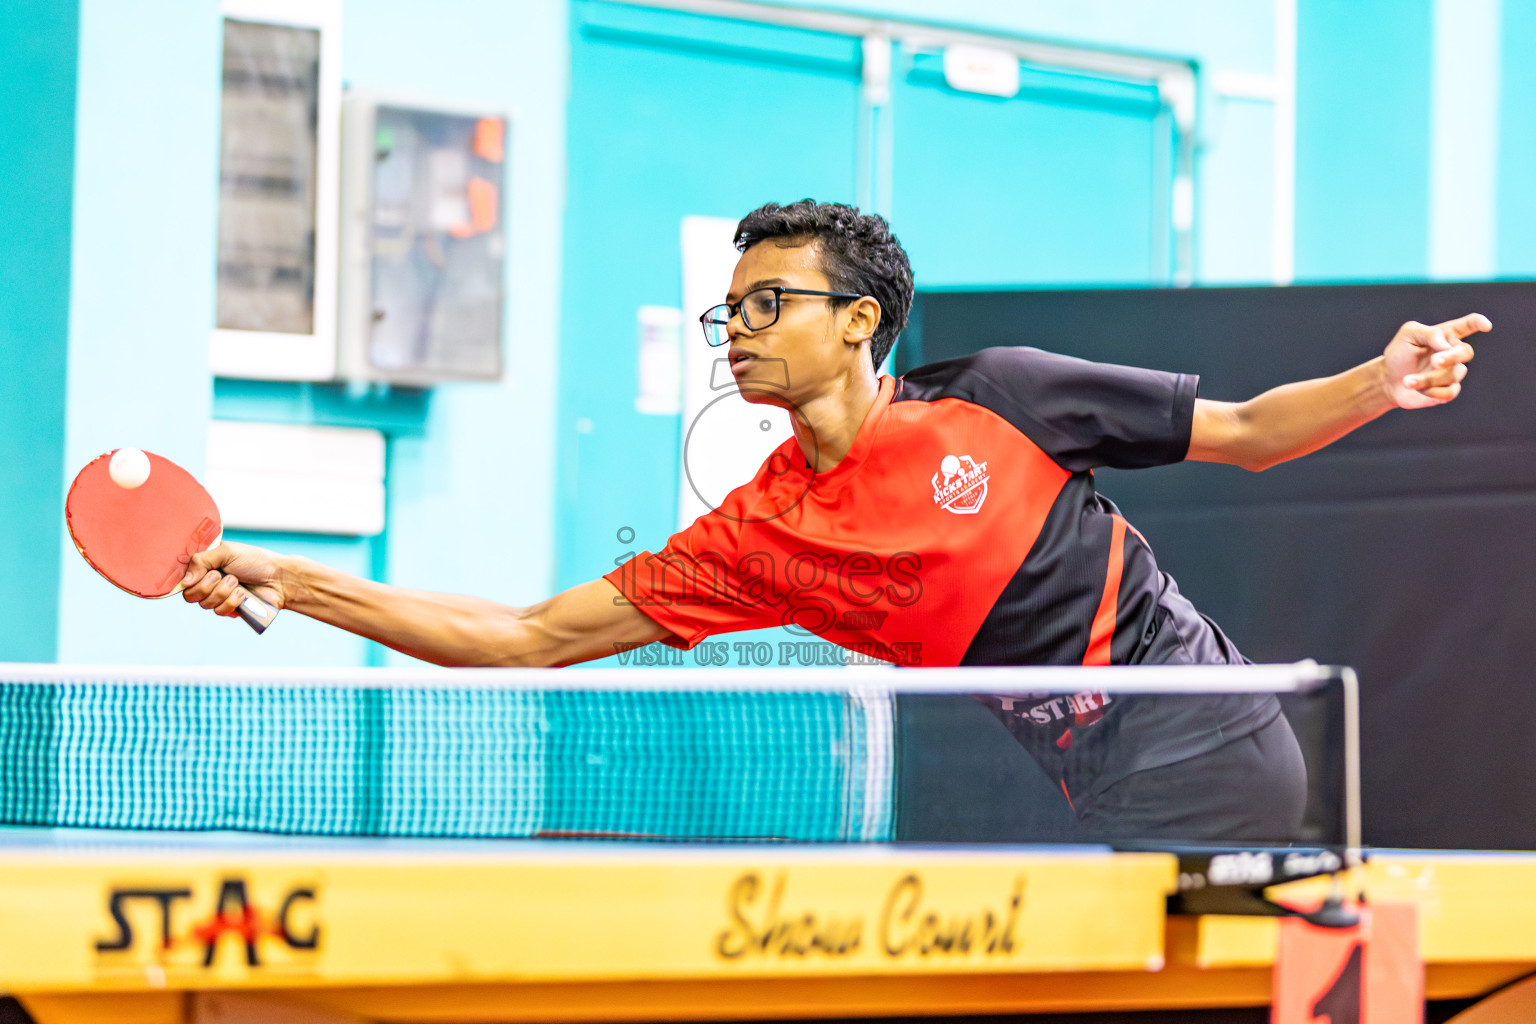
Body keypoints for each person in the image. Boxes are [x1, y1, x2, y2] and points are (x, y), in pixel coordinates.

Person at [181, 200, 1486, 841]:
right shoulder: (760, 538)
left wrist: (1379, 381)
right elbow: (526, 636)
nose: (738, 331)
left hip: (1211, 734)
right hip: (1096, 781)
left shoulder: (1003, 395)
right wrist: (302, 584)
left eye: (771, 305)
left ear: (860, 321)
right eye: (731, 311)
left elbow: (1247, 429)